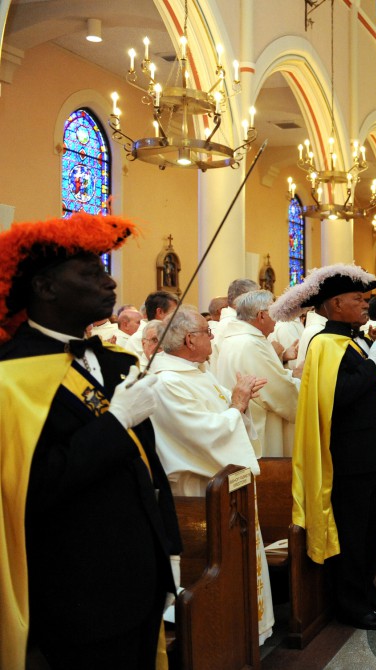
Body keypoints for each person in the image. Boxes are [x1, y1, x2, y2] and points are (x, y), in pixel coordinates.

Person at [0, 213, 180, 669]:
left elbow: (145, 465)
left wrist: (167, 544)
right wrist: (116, 421)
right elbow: (36, 485)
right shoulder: (10, 376)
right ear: (46, 288)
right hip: (76, 587)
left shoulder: (115, 361)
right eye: (92, 272)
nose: (111, 282)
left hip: (139, 572)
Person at [272, 263, 376, 632]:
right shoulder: (325, 344)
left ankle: (367, 590)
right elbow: (336, 397)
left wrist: (370, 357)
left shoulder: (347, 340)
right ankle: (351, 605)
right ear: (333, 305)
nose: (365, 305)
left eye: (365, 300)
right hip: (348, 458)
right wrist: (372, 367)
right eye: (358, 300)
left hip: (369, 453)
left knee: (370, 531)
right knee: (352, 532)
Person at [146, 306, 276, 644]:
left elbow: (227, 421)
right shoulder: (167, 383)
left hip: (225, 486)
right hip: (200, 490)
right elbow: (204, 435)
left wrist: (239, 406)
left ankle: (245, 634)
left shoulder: (195, 372)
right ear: (190, 339)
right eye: (207, 330)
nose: (213, 335)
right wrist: (237, 404)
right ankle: (228, 640)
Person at [214, 289, 301, 458]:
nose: (277, 319)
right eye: (274, 313)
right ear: (261, 315)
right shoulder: (250, 343)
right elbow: (277, 391)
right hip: (259, 427)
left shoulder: (238, 338)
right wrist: (301, 381)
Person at [125, 290, 178, 360]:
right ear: (160, 312)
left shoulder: (173, 333)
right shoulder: (137, 340)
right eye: (174, 312)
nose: (177, 317)